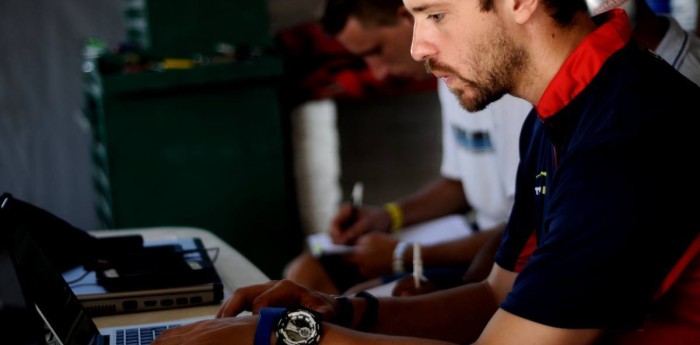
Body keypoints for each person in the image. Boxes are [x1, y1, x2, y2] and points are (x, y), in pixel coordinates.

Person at [153, 1, 700, 344]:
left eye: (435, 15)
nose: (418, 48)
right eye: (413, 18)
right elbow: (493, 298)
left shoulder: (627, 137)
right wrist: (339, 311)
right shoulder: (557, 115)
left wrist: (282, 334)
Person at [390, 0, 700, 296]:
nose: (417, 49)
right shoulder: (546, 119)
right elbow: (497, 292)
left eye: (436, 15)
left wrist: (402, 258)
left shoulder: (623, 131)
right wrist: (358, 311)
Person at [283, 0, 532, 296]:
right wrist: (387, 217)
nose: (377, 73)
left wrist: (406, 255)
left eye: (377, 51)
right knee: (306, 272)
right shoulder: (449, 76)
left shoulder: (504, 86)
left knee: (356, 304)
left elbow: (527, 227)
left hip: (500, 247)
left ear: (408, 18)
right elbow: (460, 183)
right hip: (475, 231)